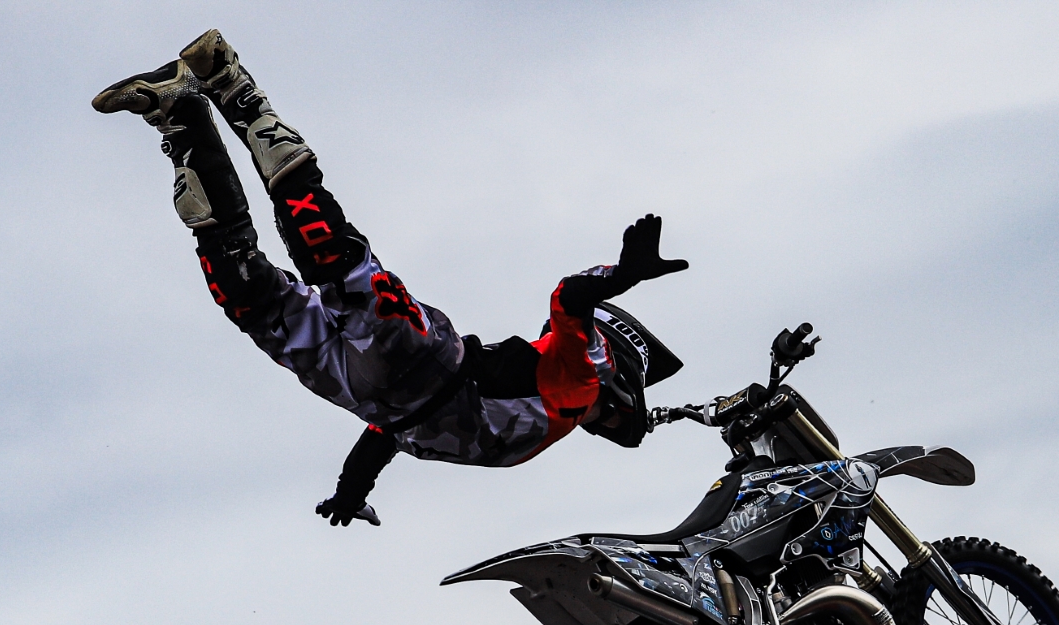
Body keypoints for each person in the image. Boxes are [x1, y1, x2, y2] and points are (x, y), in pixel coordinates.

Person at [92, 30, 688, 526]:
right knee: (323, 246)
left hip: (366, 392)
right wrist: (619, 276)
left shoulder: (561, 412)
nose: (608, 425)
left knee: (242, 290)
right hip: (420, 360)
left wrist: (350, 493)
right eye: (616, 417)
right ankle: (229, 82)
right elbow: (570, 299)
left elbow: (389, 434)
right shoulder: (582, 377)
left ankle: (180, 113)